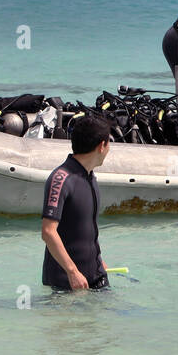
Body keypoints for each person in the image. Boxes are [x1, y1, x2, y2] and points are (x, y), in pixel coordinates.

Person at [41, 114, 114, 291]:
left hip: (95, 275)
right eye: (109, 143)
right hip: (68, 283)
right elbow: (48, 232)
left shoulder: (88, 176)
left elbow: (84, 229)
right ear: (101, 146)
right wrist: (72, 272)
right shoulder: (61, 179)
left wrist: (97, 259)